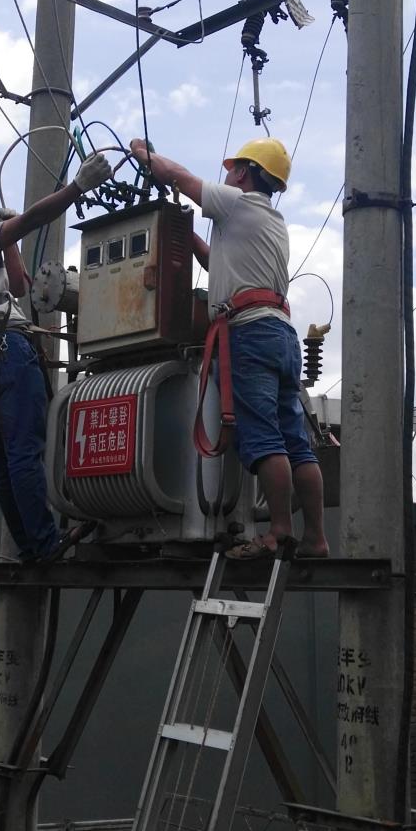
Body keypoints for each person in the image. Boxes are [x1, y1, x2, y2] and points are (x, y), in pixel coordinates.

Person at [129, 134, 329, 560]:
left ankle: (278, 533)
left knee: (264, 437)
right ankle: (315, 538)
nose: (227, 173)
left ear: (244, 172)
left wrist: (143, 152)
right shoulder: (269, 220)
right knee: (295, 442)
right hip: (280, 333)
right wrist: (186, 235)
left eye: (232, 167)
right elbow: (215, 262)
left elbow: (178, 175)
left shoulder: (236, 203)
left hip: (249, 333)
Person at [0, 151, 112, 563]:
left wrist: (8, 239)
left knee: (6, 458)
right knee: (25, 451)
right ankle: (45, 543)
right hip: (6, 349)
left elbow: (18, 286)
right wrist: (77, 187)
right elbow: (32, 219)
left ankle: (32, 548)